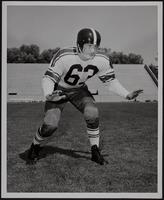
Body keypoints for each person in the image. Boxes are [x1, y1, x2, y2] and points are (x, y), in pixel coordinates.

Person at [26, 28, 143, 165]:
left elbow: (110, 82)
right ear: (79, 45)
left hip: (79, 90)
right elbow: (48, 78)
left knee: (92, 113)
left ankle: (95, 151)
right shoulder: (64, 55)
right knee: (50, 125)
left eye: (95, 46)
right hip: (58, 90)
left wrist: (126, 94)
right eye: (89, 46)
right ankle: (34, 146)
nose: (93, 50)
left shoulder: (102, 60)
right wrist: (49, 94)